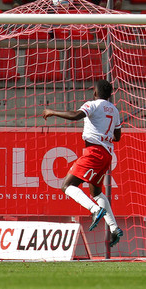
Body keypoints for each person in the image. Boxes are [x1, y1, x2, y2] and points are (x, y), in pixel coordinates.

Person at [42, 80, 123, 247]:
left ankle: (95, 211)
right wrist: (104, 132)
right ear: (109, 95)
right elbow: (118, 136)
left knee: (67, 186)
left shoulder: (92, 105)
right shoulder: (114, 110)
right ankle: (114, 228)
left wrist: (52, 112)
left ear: (95, 93)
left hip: (94, 152)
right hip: (107, 154)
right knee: (97, 193)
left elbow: (75, 116)